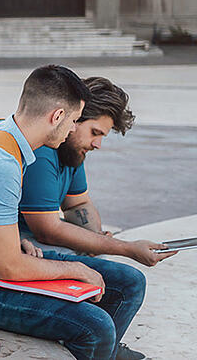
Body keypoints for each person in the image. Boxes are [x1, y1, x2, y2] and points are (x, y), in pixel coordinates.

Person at [0, 66, 147, 360]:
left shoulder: (9, 137)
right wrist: (77, 269)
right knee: (97, 326)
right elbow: (11, 267)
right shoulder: (2, 163)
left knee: (129, 283)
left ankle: (103, 353)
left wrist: (15, 240)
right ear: (57, 116)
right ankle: (102, 350)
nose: (74, 129)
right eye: (74, 121)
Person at [20, 76, 175, 271]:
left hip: (34, 239)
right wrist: (125, 248)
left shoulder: (70, 152)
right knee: (126, 280)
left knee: (105, 265)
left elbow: (78, 204)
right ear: (73, 119)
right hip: (12, 246)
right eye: (95, 132)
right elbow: (47, 231)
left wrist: (96, 238)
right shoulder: (42, 151)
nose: (97, 145)